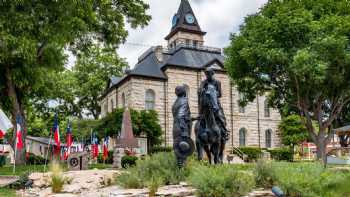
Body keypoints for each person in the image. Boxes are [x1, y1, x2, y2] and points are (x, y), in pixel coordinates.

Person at [198, 67, 229, 141]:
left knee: (221, 117)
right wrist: (202, 91)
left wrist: (213, 93)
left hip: (215, 103)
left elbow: (220, 94)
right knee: (201, 117)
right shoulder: (203, 83)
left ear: (212, 74)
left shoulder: (217, 82)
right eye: (206, 74)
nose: (207, 75)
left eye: (208, 74)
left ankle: (225, 132)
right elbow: (200, 91)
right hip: (206, 104)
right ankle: (200, 132)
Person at [172, 85, 193, 167]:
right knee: (184, 152)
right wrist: (184, 130)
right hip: (182, 128)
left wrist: (193, 118)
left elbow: (183, 117)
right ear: (184, 92)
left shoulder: (175, 102)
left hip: (175, 128)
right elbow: (181, 116)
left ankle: (179, 173)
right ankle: (183, 173)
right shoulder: (184, 100)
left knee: (178, 152)